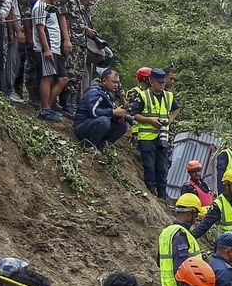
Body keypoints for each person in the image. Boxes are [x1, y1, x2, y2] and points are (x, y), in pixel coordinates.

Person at [125, 68, 176, 198]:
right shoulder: (143, 96)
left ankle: (162, 194)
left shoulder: (168, 96)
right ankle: (151, 191)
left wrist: (170, 120)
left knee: (162, 166)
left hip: (163, 136)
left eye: (163, 83)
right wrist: (149, 120)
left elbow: (176, 108)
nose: (162, 85)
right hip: (146, 137)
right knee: (149, 166)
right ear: (151, 81)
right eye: (159, 82)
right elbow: (134, 114)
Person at [31, 0, 69, 120]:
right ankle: (45, 109)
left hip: (55, 47)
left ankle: (48, 105)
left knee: (62, 78)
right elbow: (40, 29)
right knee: (47, 77)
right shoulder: (40, 6)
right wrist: (46, 49)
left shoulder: (50, 7)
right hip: (46, 48)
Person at [73, 66, 130, 151]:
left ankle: (101, 146)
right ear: (104, 81)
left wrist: (117, 118)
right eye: (114, 82)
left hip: (94, 124)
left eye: (118, 83)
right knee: (104, 120)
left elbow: (106, 112)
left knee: (122, 126)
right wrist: (113, 112)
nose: (116, 85)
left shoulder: (108, 94)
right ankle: (88, 145)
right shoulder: (94, 92)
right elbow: (94, 112)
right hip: (82, 126)